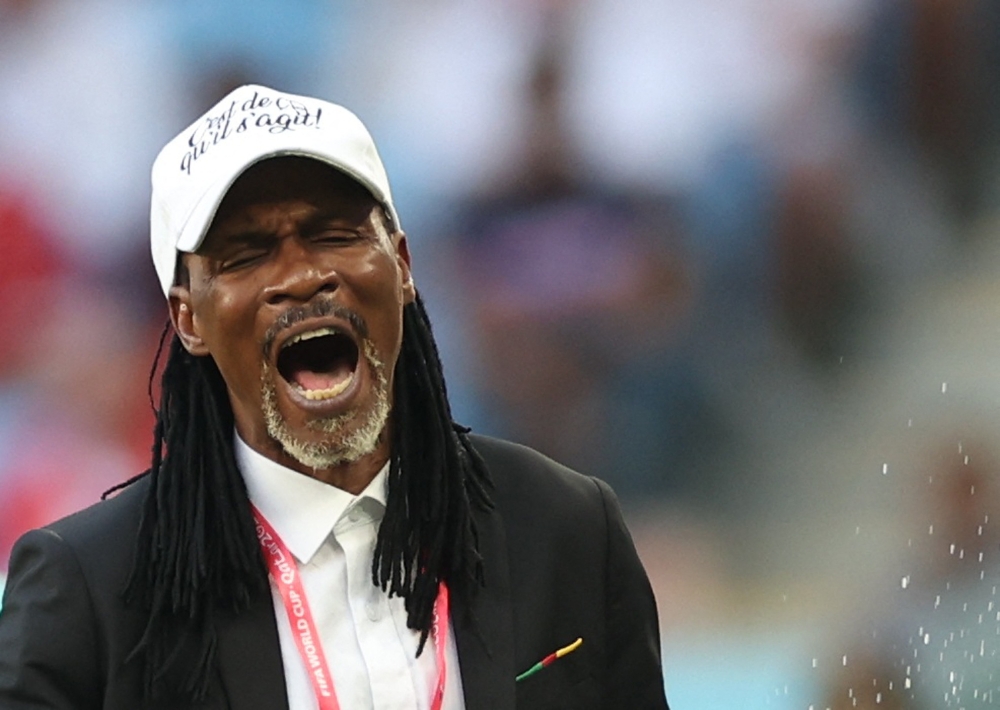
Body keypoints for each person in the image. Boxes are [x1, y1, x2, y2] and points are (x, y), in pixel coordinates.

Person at [0, 84, 669, 710]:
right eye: (245, 254)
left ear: (402, 265)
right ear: (188, 319)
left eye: (333, 234)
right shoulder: (90, 589)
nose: (303, 275)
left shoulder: (565, 528)